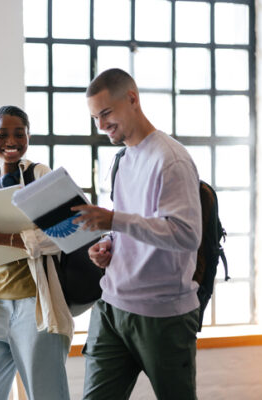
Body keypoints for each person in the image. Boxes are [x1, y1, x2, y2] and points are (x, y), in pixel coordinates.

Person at [72, 68, 203, 400]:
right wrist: (107, 244)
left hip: (162, 315)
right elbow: (129, 227)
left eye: (106, 113)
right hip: (112, 307)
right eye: (94, 118)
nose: (101, 125)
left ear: (132, 99)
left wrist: (115, 221)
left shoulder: (170, 160)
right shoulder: (123, 159)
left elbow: (186, 235)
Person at [0, 105, 73, 400]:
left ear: (28, 137)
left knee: (46, 394)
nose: (11, 141)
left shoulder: (41, 175)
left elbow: (62, 234)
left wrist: (0, 236)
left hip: (34, 307)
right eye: (3, 134)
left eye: (19, 134)